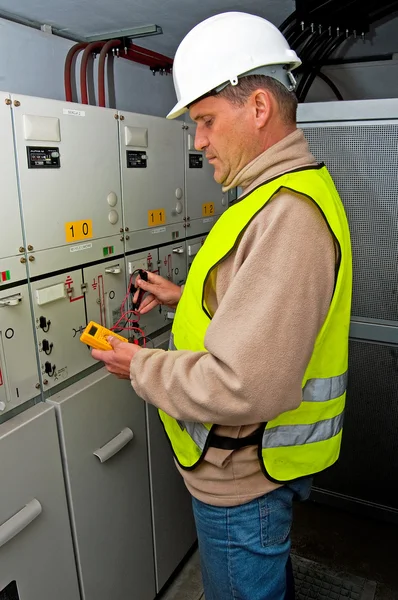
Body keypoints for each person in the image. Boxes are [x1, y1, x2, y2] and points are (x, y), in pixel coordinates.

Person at [92, 11, 352, 600]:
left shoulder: (287, 214)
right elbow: (263, 306)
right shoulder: (278, 195)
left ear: (258, 108)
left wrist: (140, 365)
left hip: (242, 476)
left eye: (205, 120)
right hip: (251, 468)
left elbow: (243, 383)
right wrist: (185, 297)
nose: (198, 140)